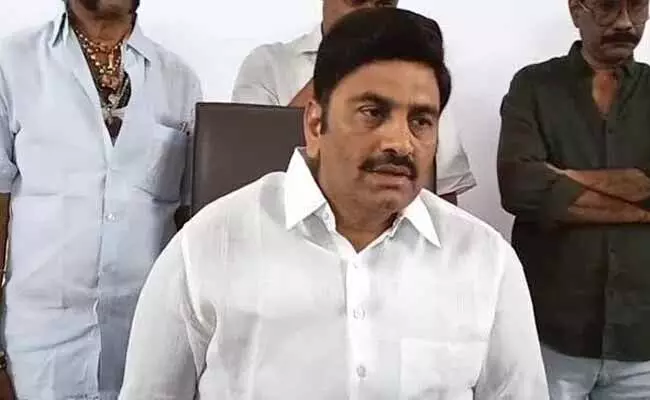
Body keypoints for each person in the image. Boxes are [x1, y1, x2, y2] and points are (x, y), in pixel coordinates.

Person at [119, 8, 548, 400]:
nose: (400, 143)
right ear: (315, 123)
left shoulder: (485, 263)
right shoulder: (209, 247)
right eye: (372, 112)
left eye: (421, 120)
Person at [0, 0, 201, 398]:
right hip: (37, 361)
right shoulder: (13, 64)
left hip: (145, 357)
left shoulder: (180, 81)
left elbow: (190, 228)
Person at [498, 0, 650, 398]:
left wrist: (561, 177)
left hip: (642, 341)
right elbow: (519, 186)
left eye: (637, 6)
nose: (624, 22)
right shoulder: (534, 86)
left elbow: (540, 185)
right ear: (576, 10)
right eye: (607, 7)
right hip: (550, 335)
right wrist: (640, 202)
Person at [231, 0, 476, 204]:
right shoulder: (270, 64)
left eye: (382, 5)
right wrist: (343, 61)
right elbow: (248, 167)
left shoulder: (420, 79)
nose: (369, 15)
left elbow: (444, 192)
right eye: (357, 1)